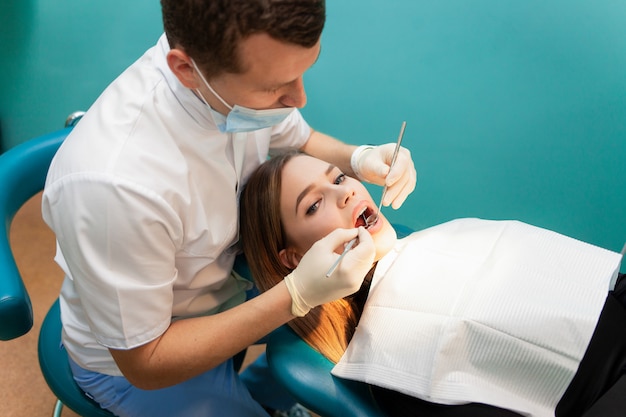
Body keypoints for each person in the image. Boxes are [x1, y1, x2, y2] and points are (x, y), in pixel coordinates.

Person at [40, 1, 417, 416]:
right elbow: (146, 362)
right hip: (142, 357)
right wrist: (296, 294)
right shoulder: (116, 188)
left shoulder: (230, 74)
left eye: (302, 71)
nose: (299, 98)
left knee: (356, 306)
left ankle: (265, 398)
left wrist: (358, 158)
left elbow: (300, 139)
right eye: (275, 86)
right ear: (184, 69)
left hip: (224, 282)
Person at [239, 150, 626, 417]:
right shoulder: (393, 367)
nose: (346, 193)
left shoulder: (443, 239)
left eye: (339, 177)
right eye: (313, 204)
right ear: (292, 259)